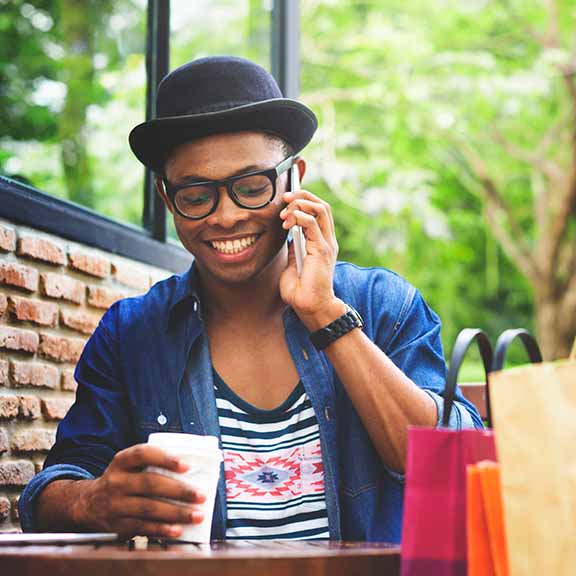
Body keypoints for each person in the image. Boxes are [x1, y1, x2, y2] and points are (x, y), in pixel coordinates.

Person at [19, 56, 482, 542]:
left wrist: (326, 314)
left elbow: (450, 464)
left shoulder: (383, 303)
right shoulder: (133, 333)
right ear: (165, 196)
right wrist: (93, 501)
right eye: (197, 196)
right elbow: (48, 496)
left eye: (251, 187)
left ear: (294, 179)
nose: (225, 216)